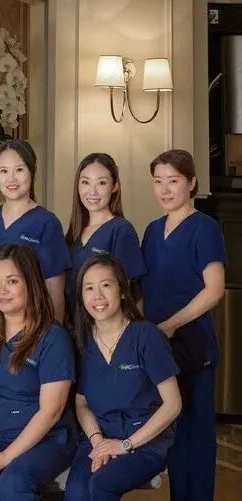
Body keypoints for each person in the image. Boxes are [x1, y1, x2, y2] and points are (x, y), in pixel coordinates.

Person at [0, 245, 76, 500]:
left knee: (13, 485)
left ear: (31, 283)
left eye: (12, 281)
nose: (1, 291)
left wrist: (5, 457)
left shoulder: (53, 337)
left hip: (47, 438)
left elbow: (51, 412)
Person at [140, 149, 226, 501]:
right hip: (160, 351)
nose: (164, 189)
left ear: (191, 183)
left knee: (196, 439)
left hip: (193, 348)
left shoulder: (205, 228)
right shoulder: (152, 230)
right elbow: (144, 290)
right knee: (172, 439)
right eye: (158, 181)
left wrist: (171, 325)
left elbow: (214, 289)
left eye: (173, 181)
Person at [65, 255, 181, 501]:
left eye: (106, 285)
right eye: (89, 288)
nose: (97, 295)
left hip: (144, 442)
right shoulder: (83, 342)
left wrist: (125, 445)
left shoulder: (146, 336)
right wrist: (98, 441)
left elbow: (173, 404)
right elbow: (81, 403)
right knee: (76, 491)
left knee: (102, 484)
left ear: (122, 291)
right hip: (100, 437)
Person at [0, 139, 68, 322]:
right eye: (4, 171)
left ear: (32, 171)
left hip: (32, 324)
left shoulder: (47, 223)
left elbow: (54, 291)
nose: (11, 179)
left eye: (19, 170)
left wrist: (53, 334)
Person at [64, 152, 145, 314]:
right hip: (72, 324)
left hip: (103, 324)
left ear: (114, 186)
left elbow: (125, 293)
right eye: (85, 182)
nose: (92, 191)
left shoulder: (121, 230)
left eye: (101, 183)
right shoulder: (74, 232)